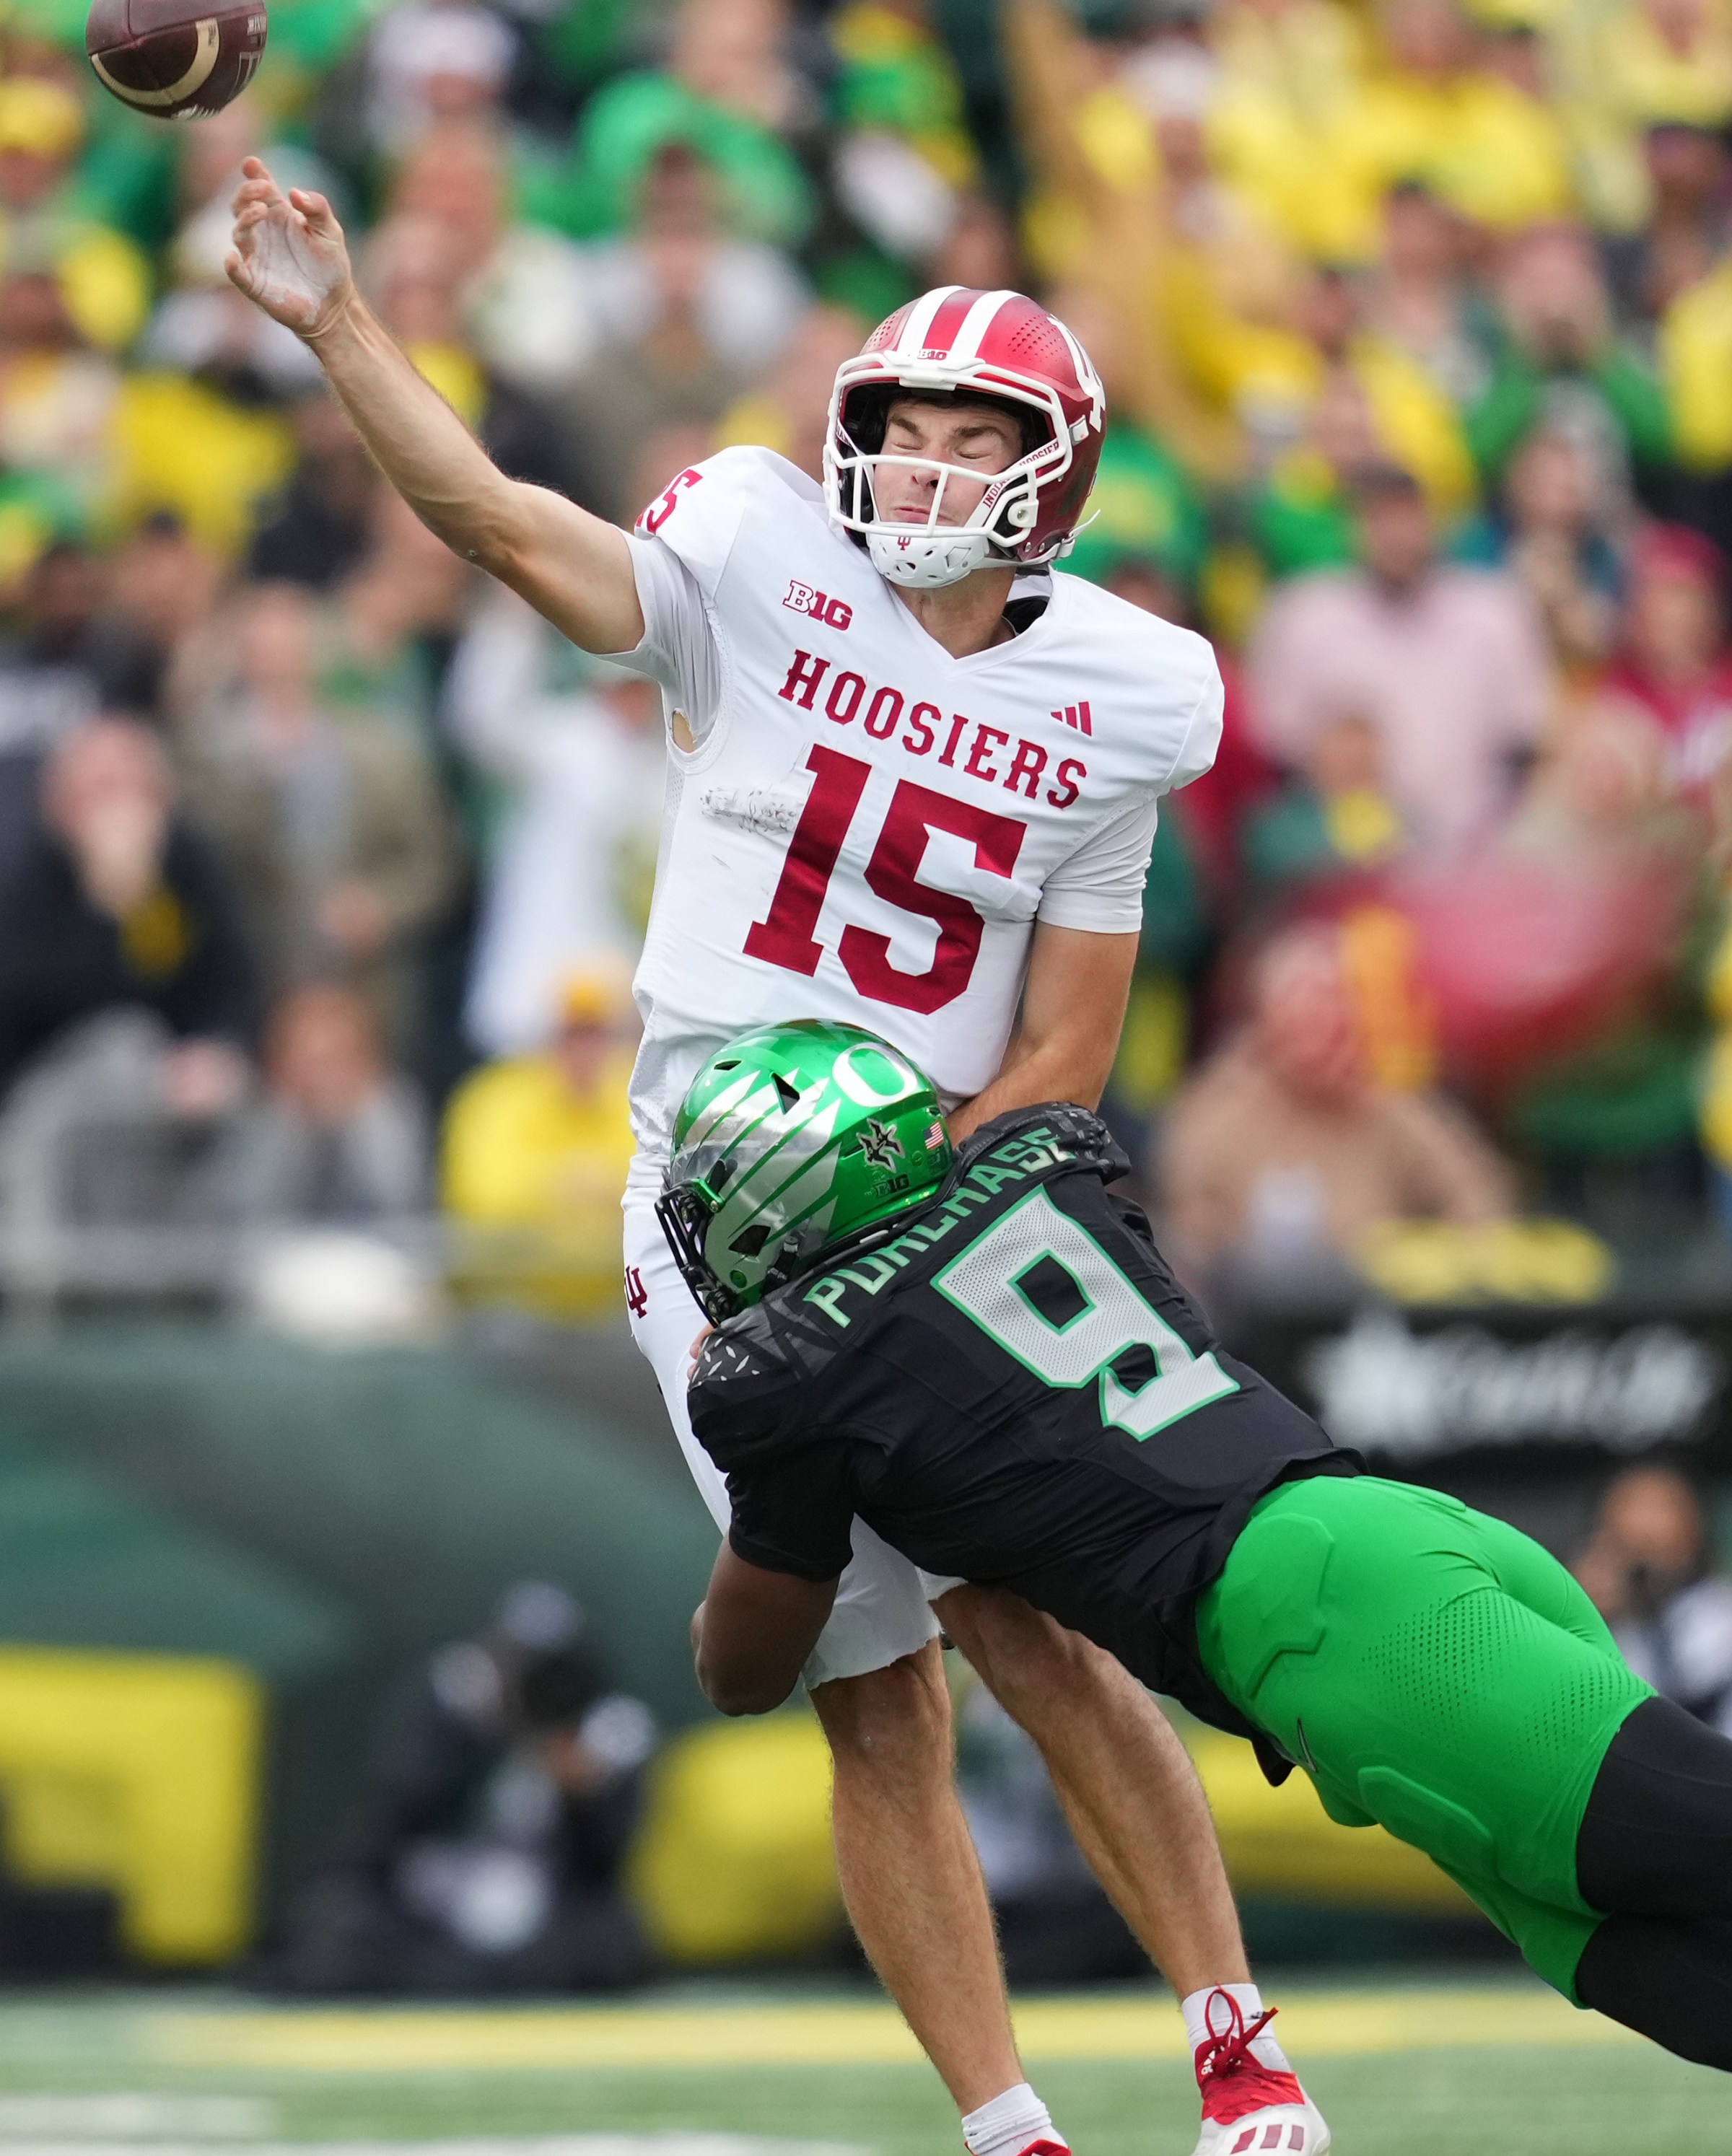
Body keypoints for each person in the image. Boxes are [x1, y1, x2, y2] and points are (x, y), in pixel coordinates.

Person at [224, 163, 1317, 2156]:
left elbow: (1070, 1041)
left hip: (957, 1191)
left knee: (1028, 1614)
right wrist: (340, 325)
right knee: (870, 1671)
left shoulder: (1127, 692)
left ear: (1048, 480)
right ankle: (1012, 2126)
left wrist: (926, 1186)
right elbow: (494, 520)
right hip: (714, 1192)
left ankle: (1238, 2042)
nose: (913, 462)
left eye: (968, 433)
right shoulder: (753, 546)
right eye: (897, 423)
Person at [673, 1022, 1732, 2078]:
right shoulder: (1039, 1169)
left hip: (1331, 1624)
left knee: (1693, 1857)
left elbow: (744, 1670)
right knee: (1620, 1952)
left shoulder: (793, 1371)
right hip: (1381, 1551)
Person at [279, 1581, 654, 1995]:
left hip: (544, 1898)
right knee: (341, 1925)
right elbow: (398, 1812)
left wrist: (580, 1790)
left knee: (613, 1941)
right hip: (434, 1891)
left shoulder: (605, 1733)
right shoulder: (456, 1697)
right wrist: (468, 1738)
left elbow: (606, 1863)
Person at [1159, 923, 1514, 1274]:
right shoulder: (1222, 1104)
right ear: (1268, 1021)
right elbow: (1188, 1223)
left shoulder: (1388, 1100)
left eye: (1337, 1009)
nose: (1324, 1029)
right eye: (1306, 1013)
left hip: (1373, 1305)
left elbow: (1476, 1192)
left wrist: (1443, 1260)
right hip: (1251, 1307)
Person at [0, 716, 252, 1107]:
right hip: (50, 1087)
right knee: (124, 1042)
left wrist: (211, 1050)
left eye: (135, 790)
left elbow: (219, 978)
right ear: (60, 805)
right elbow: (31, 1002)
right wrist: (108, 908)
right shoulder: (25, 871)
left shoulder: (188, 862)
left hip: (172, 1084)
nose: (119, 808)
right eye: (101, 791)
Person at [1575, 1465, 1732, 1738]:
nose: (1645, 1525)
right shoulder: (1595, 1632)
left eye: (1661, 1511)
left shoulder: (1719, 1615)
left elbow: (1694, 1699)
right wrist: (1580, 1620)